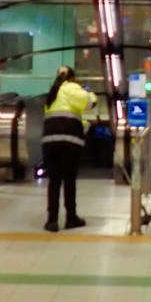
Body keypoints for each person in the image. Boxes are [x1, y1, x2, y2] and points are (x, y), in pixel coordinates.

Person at [41, 65, 96, 232]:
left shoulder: (52, 94)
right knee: (69, 180)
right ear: (71, 78)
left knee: (54, 181)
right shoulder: (72, 88)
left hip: (50, 141)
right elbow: (90, 103)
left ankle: (52, 220)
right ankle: (71, 218)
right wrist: (88, 90)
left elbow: (63, 114)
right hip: (69, 142)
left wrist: (83, 124)